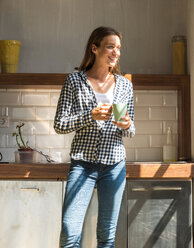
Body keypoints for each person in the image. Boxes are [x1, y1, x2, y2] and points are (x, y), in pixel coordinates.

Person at [54, 26, 135, 248]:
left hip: (115, 165)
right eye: (110, 46)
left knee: (107, 235)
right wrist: (90, 116)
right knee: (70, 232)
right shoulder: (74, 81)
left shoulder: (125, 85)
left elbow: (130, 128)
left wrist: (126, 124)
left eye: (118, 48)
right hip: (83, 165)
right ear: (94, 48)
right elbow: (59, 125)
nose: (115, 52)